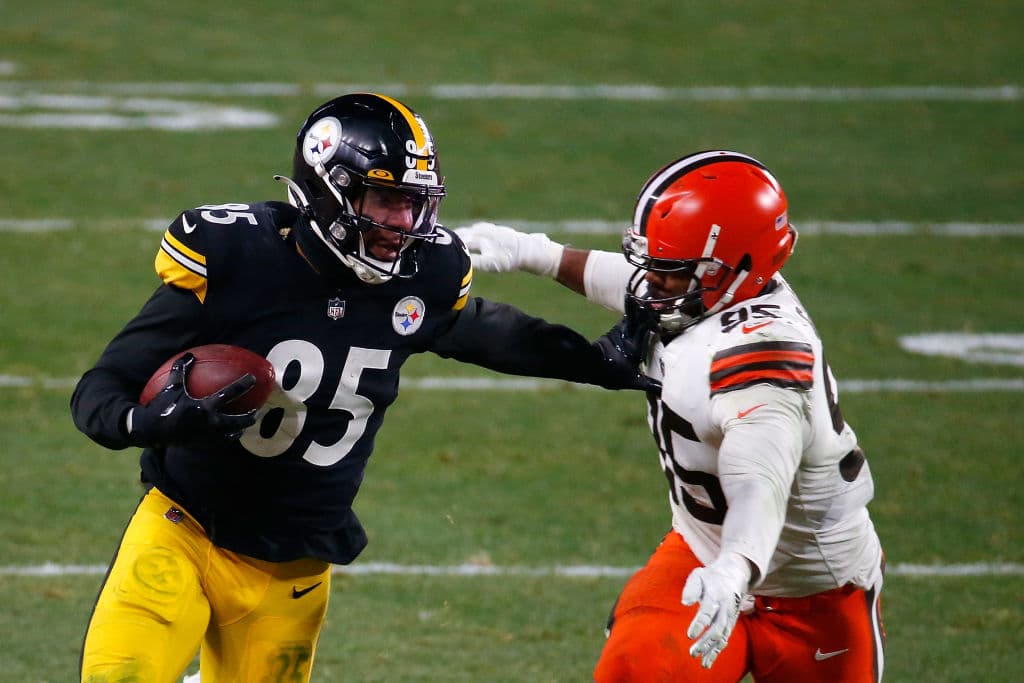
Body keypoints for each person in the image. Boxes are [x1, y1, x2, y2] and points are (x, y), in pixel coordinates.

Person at [69, 92, 657, 683]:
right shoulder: (236, 257)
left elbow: (486, 333)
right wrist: (143, 424)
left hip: (294, 568)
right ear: (327, 189)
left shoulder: (423, 274)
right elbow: (102, 386)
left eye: (413, 203)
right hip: (183, 532)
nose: (403, 222)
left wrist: (599, 362)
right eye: (385, 199)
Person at [456, 150, 887, 682]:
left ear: (733, 269)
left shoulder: (765, 357)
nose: (650, 282)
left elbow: (759, 483)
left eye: (669, 271)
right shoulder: (709, 292)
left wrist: (735, 569)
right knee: (636, 671)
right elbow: (638, 281)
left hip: (810, 587)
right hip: (700, 551)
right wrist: (535, 253)